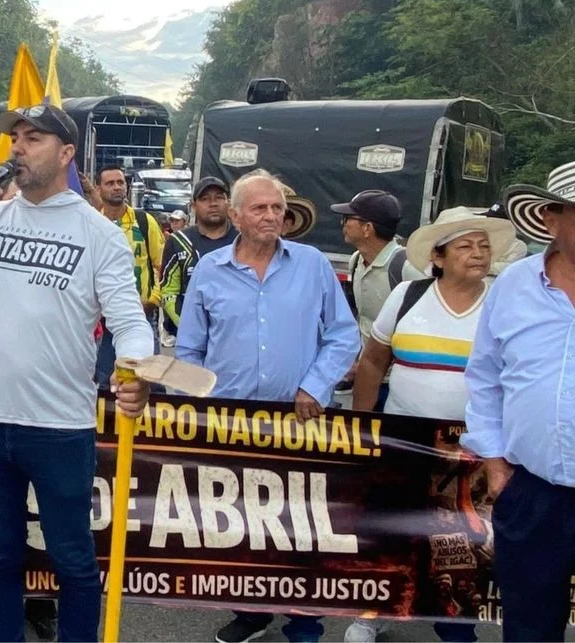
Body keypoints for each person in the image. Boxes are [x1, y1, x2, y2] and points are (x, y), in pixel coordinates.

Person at [0, 103, 152, 642]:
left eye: (34, 138)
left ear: (67, 154)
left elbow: (129, 322)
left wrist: (135, 369)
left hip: (58, 428)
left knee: (72, 560)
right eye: (15, 138)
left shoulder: (99, 234)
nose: (17, 148)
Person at [176, 169, 359, 643]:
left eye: (277, 207)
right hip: (229, 423)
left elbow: (343, 334)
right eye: (260, 208)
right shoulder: (209, 271)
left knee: (301, 523)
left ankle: (304, 621)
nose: (272, 216)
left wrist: (315, 387)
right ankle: (250, 612)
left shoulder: (313, 264)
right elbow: (189, 350)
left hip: (298, 420)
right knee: (237, 523)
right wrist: (198, 405)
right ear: (235, 215)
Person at [347, 207, 513, 643]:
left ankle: (456, 625)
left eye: (483, 245)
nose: (478, 254)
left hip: (475, 447)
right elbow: (372, 362)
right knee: (392, 528)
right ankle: (373, 612)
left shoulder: (501, 302)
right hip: (407, 440)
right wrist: (364, 428)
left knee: (466, 541)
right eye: (465, 245)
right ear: (438, 257)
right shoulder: (408, 296)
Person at [462, 161, 575, 642]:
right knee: (530, 625)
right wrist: (493, 457)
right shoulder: (513, 285)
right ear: (551, 218)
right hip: (534, 491)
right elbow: (485, 375)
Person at [94, 164, 165, 386]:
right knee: (106, 381)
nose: (116, 187)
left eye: (120, 182)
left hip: (143, 314)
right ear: (98, 189)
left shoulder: (144, 222)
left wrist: (152, 301)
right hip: (102, 318)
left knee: (147, 380)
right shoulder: (94, 223)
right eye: (109, 183)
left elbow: (162, 267)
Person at [332, 189, 423, 344]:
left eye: (347, 218)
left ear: (367, 228)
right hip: (367, 364)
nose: (342, 223)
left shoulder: (407, 267)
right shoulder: (356, 261)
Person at [159, 176, 238, 344]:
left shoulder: (243, 240)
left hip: (236, 337)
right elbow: (168, 292)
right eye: (205, 199)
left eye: (219, 197)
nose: (213, 203)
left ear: (228, 203)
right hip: (191, 340)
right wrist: (190, 327)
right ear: (194, 206)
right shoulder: (178, 241)